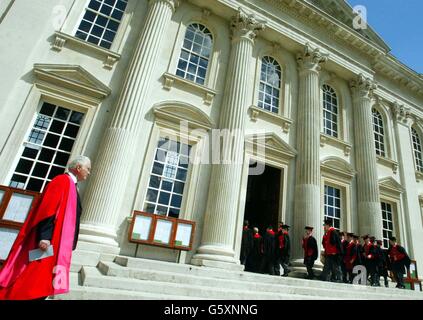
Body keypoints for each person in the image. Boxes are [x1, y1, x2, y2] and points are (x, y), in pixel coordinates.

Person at [0, 156, 91, 300]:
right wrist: (45, 237)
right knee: (34, 279)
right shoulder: (61, 181)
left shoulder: (73, 186)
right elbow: (48, 209)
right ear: (78, 168)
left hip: (58, 245)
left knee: (45, 281)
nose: (89, 172)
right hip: (48, 244)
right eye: (88, 168)